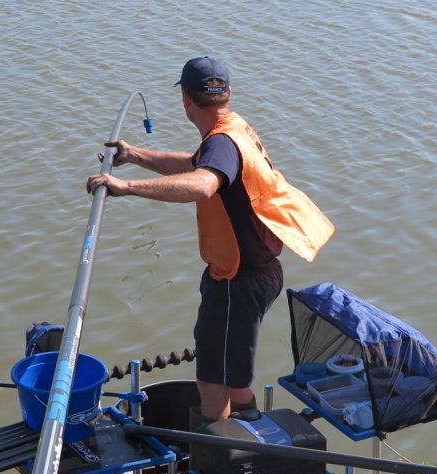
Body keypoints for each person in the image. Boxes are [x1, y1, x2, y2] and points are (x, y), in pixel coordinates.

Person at [87, 56, 334, 423]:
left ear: (186, 99)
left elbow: (202, 184)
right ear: (227, 94)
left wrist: (126, 187)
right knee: (232, 375)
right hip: (258, 272)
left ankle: (219, 452)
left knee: (211, 382)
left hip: (239, 279)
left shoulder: (221, 144)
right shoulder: (233, 130)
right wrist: (135, 155)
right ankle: (250, 424)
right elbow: (195, 165)